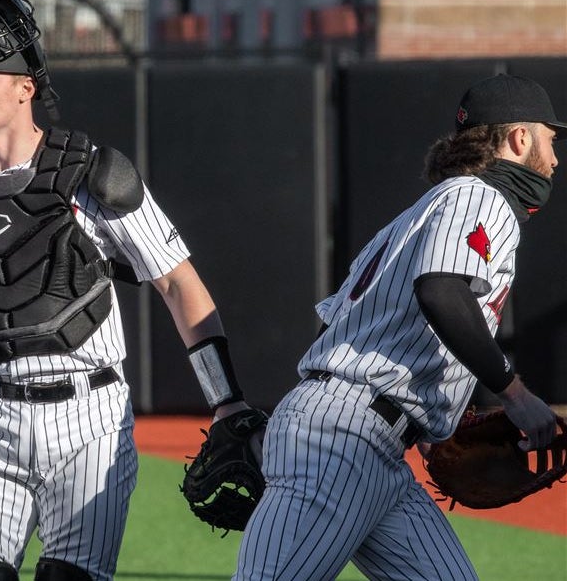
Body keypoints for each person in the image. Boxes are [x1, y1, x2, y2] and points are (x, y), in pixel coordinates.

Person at [0, 0, 259, 581]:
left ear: (25, 89)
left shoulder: (93, 174)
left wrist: (226, 403)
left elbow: (178, 284)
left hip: (88, 418)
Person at [234, 73, 564, 580]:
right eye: (550, 139)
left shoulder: (428, 210)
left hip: (370, 443)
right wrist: (514, 394)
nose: (555, 157)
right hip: (343, 439)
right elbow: (441, 290)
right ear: (520, 139)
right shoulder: (481, 199)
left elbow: (347, 328)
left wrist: (430, 425)